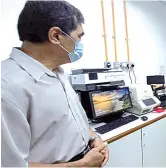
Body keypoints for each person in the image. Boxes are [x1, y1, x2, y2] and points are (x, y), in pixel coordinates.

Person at [1, 1, 109, 167]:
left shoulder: (57, 72)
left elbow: (70, 124)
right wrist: (81, 165)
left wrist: (95, 138)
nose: (80, 44)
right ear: (56, 36)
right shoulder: (7, 86)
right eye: (79, 37)